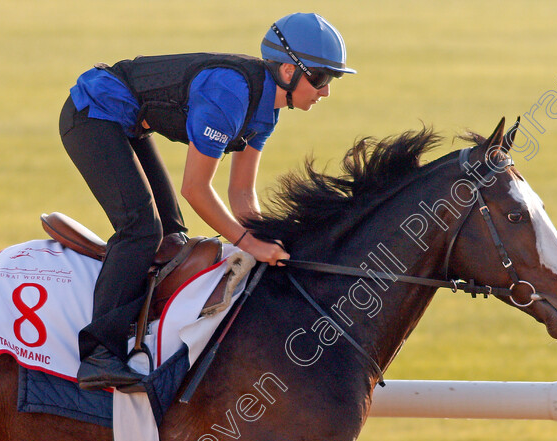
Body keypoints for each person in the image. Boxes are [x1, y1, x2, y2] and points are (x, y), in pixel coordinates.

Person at [58, 13, 356, 391]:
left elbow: (242, 195)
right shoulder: (229, 94)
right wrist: (247, 243)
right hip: (92, 114)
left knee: (173, 234)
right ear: (286, 70)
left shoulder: (267, 113)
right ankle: (98, 355)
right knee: (141, 230)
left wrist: (273, 245)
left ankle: (148, 327)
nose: (326, 91)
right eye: (320, 78)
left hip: (125, 120)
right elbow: (196, 189)